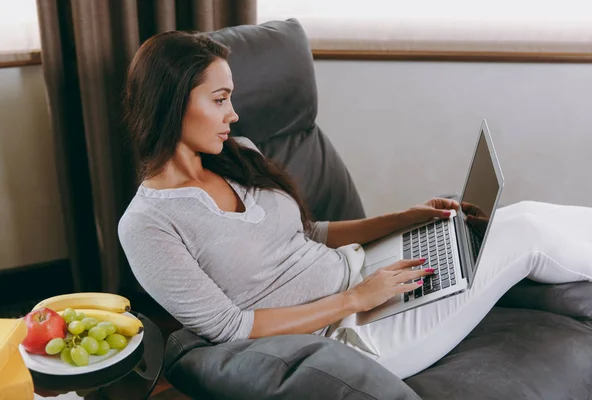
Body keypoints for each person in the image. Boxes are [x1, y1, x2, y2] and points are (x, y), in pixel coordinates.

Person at [118, 31, 592, 379]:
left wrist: (406, 217)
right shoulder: (149, 225)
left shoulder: (236, 156)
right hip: (350, 335)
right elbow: (229, 327)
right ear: (174, 101)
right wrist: (354, 300)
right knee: (526, 237)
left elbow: (308, 233)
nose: (233, 113)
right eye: (220, 99)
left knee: (519, 214)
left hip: (365, 274)